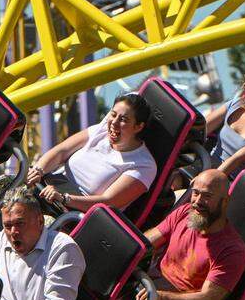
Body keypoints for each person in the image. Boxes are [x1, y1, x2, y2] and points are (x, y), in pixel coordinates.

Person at [128, 169, 245, 300]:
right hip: (149, 287)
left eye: (207, 196)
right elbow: (144, 243)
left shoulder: (233, 250)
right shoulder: (185, 212)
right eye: (196, 193)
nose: (198, 201)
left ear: (225, 202)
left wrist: (160, 297)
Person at [26, 92, 157, 215]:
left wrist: (64, 198)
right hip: (50, 189)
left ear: (138, 126)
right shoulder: (99, 132)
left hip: (72, 213)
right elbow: (61, 151)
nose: (114, 122)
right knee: (10, 187)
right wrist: (38, 170)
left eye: (123, 119)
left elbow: (108, 202)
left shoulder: (144, 165)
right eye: (113, 114)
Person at [205, 59, 245, 176]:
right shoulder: (235, 104)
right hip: (205, 167)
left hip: (224, 184)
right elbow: (202, 127)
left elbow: (236, 159)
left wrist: (205, 179)